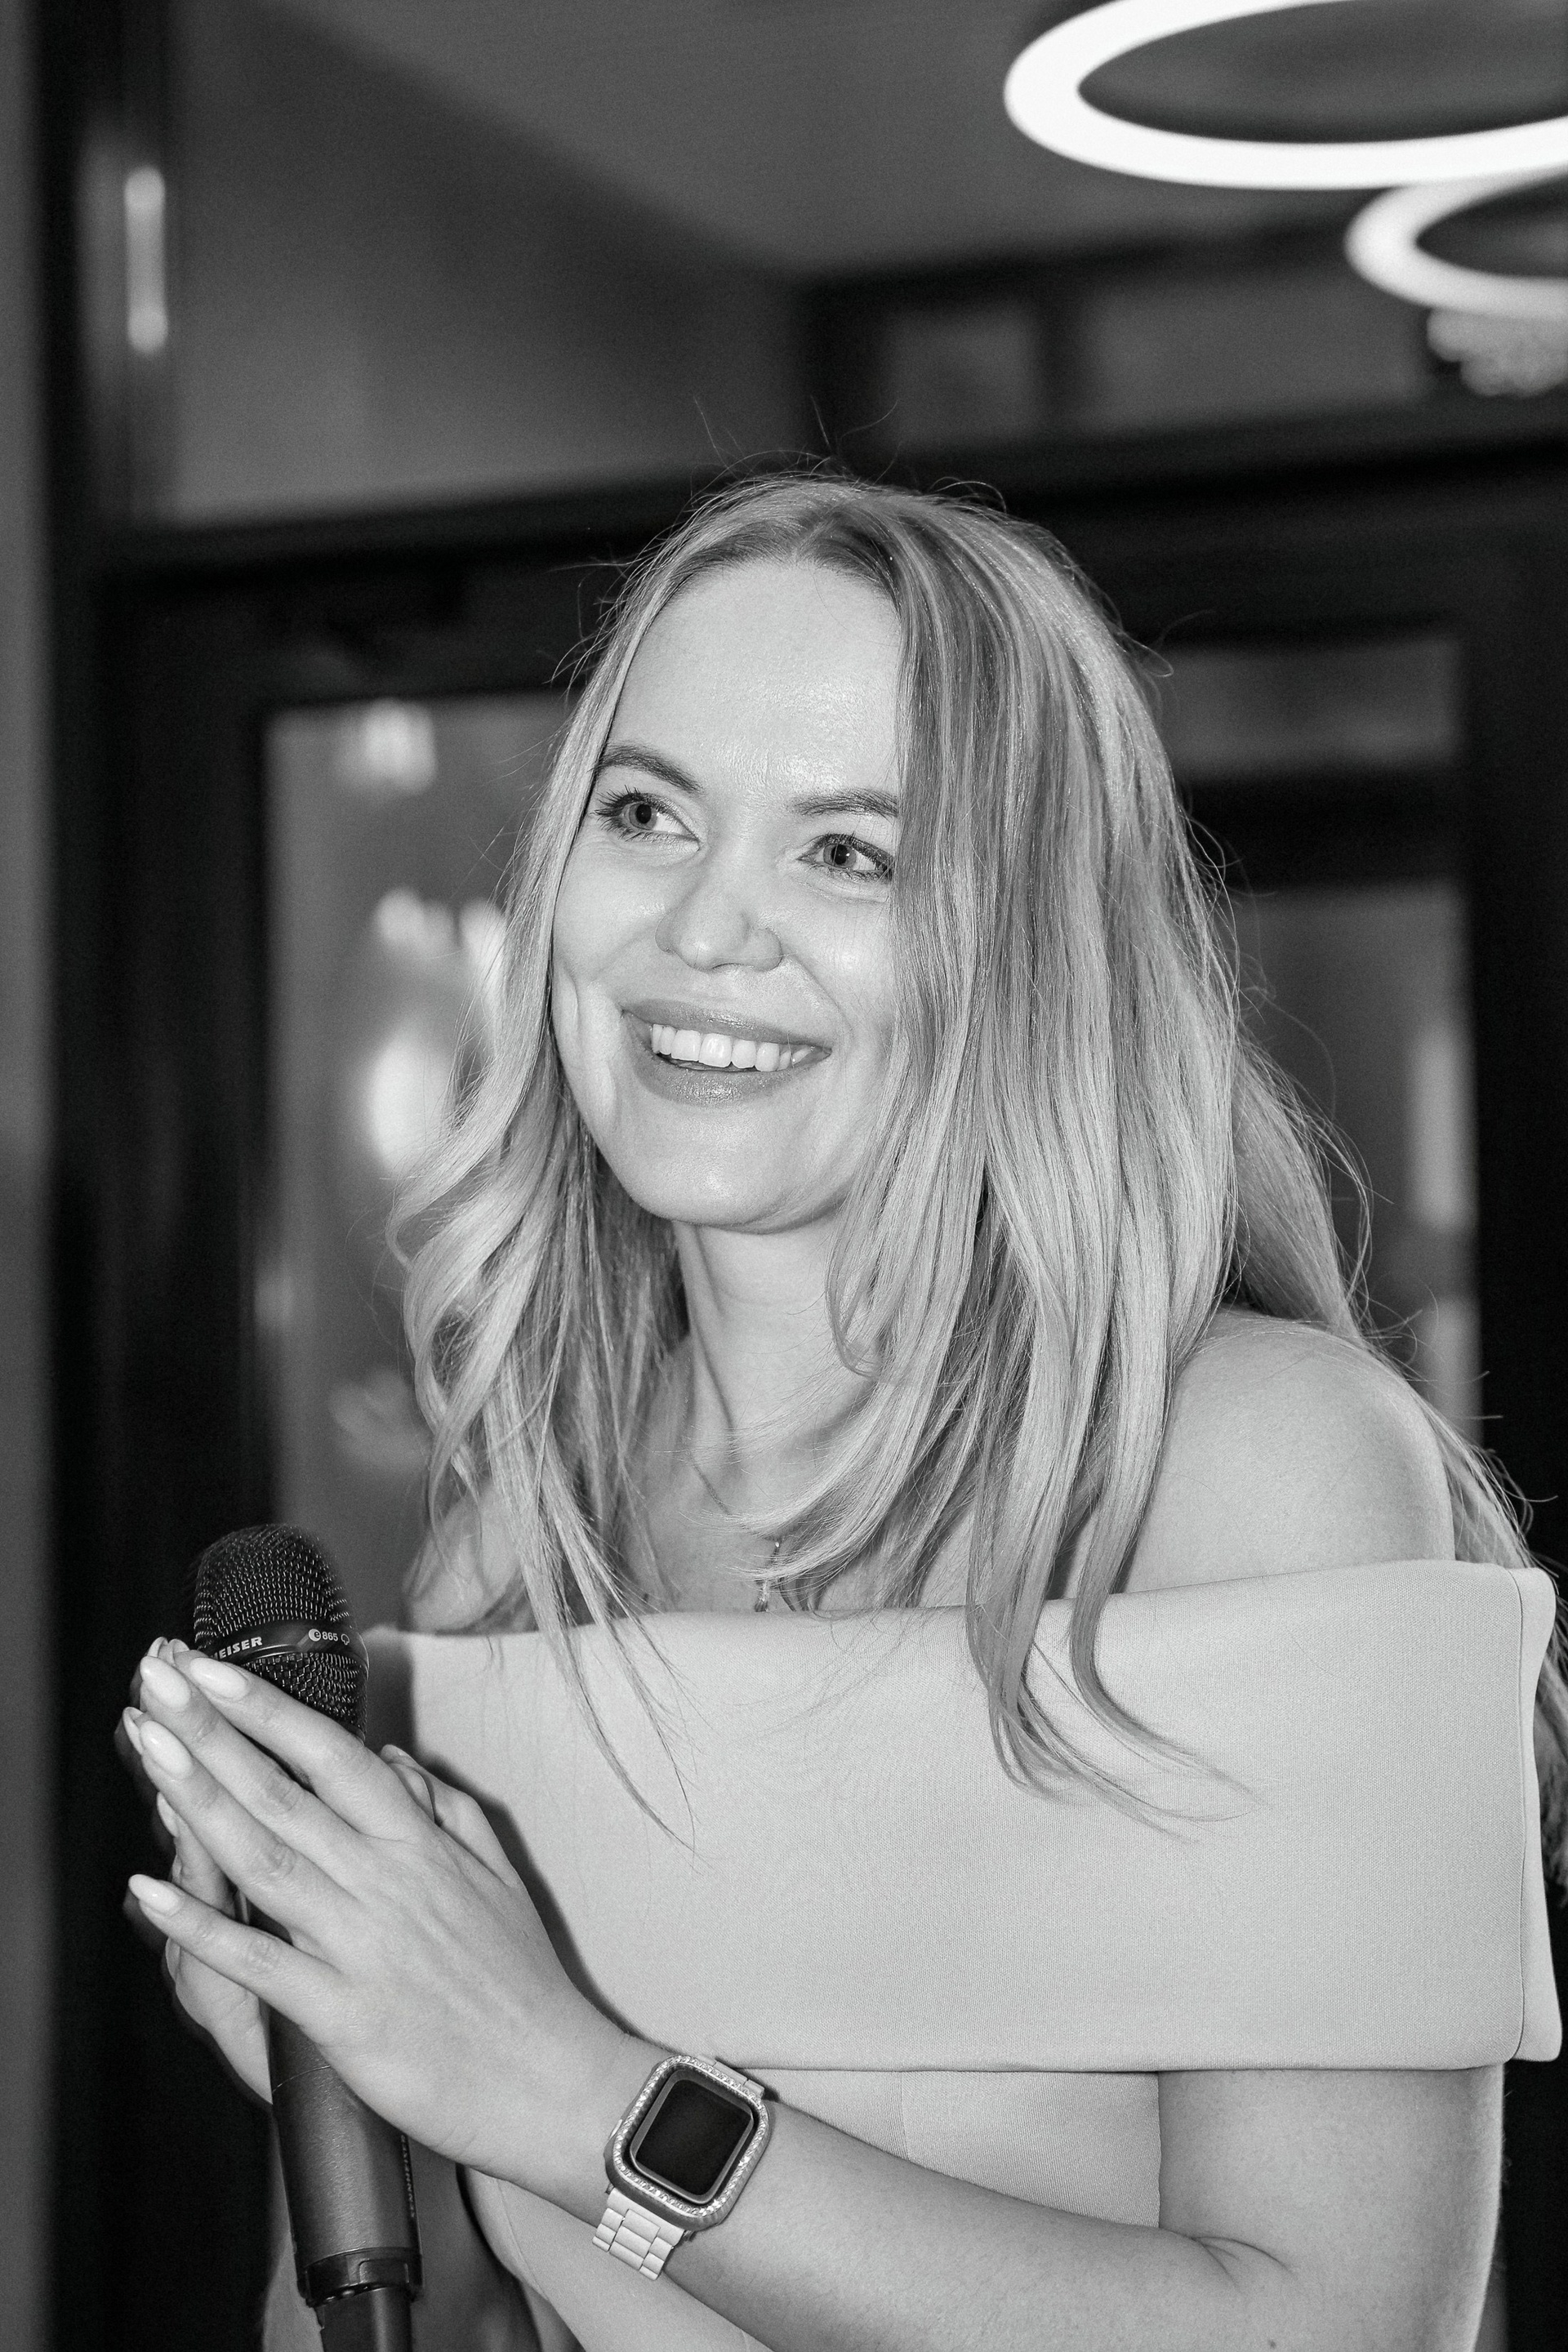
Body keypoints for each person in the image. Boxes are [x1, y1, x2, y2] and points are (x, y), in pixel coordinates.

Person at [123, 472, 1566, 2352]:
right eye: (648, 814)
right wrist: (358, 2099)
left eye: (849, 853)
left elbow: (1349, 2329)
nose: (706, 928)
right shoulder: (515, 1548)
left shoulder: (1243, 1471)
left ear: (1031, 944)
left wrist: (567, 2094)